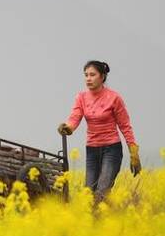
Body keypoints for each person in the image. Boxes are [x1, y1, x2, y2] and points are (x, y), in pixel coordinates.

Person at [58, 60, 141, 202]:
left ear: (102, 77)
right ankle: (94, 222)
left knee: (101, 192)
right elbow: (75, 117)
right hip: (92, 150)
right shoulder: (81, 97)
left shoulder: (114, 98)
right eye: (86, 75)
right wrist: (68, 127)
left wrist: (133, 152)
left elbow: (125, 126)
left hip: (111, 150)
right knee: (88, 194)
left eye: (92, 75)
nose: (88, 79)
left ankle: (104, 220)